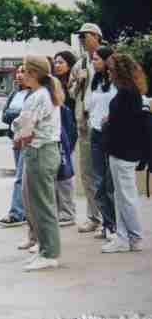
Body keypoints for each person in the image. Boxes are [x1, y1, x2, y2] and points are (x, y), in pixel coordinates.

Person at [13, 55, 63, 271]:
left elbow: (24, 128)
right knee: (40, 204)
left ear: (34, 73)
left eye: (25, 70)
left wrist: (18, 133)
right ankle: (45, 249)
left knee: (42, 205)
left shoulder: (37, 97)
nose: (21, 74)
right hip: (45, 151)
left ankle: (50, 253)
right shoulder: (44, 94)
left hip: (40, 152)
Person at [102, 53, 147, 253]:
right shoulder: (131, 92)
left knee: (126, 196)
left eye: (111, 70)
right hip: (124, 150)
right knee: (122, 195)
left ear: (118, 72)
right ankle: (123, 236)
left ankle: (134, 237)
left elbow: (124, 125)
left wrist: (107, 123)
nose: (108, 73)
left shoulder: (126, 94)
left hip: (123, 151)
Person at [70, 23, 103, 233]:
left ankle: (109, 219)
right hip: (84, 121)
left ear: (97, 36)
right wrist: (78, 83)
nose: (82, 40)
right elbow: (71, 92)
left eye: (85, 36)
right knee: (87, 172)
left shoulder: (107, 59)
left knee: (104, 173)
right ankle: (94, 217)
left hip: (104, 122)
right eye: (80, 37)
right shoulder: (80, 64)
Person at [86, 46, 117, 240]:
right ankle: (108, 224)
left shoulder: (117, 81)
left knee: (110, 183)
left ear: (107, 60)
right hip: (96, 133)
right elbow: (88, 105)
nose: (93, 62)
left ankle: (115, 225)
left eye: (97, 59)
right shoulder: (95, 81)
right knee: (98, 182)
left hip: (112, 134)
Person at [0, 65, 30, 228]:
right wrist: (16, 114)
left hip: (26, 139)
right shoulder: (15, 93)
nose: (19, 75)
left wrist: (14, 114)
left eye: (23, 71)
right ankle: (23, 211)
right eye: (18, 71)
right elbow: (5, 115)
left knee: (20, 177)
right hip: (15, 139)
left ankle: (16, 213)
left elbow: (27, 115)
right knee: (21, 176)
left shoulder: (34, 94)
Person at [54, 51, 78, 227]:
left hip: (69, 132)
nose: (57, 65)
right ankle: (59, 210)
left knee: (66, 173)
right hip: (55, 132)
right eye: (55, 62)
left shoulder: (73, 85)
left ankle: (68, 212)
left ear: (70, 64)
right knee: (56, 174)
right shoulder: (53, 84)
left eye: (61, 62)